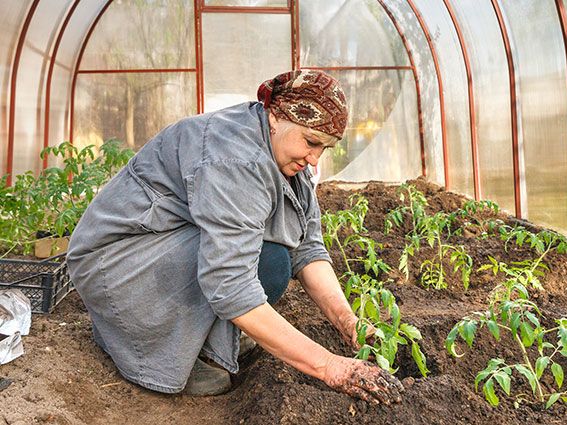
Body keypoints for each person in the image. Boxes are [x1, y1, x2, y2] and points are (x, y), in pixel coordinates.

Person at [67, 70, 403, 405]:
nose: (314, 160)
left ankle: (203, 338)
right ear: (276, 118)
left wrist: (347, 321)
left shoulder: (285, 154)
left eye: (325, 148)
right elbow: (229, 284)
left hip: (163, 245)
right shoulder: (235, 158)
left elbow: (308, 248)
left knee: (272, 262)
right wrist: (331, 367)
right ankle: (155, 347)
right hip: (116, 263)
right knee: (261, 266)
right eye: (311, 142)